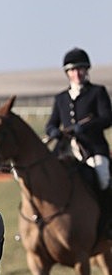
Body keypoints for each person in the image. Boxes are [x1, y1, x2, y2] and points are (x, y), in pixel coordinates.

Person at [45, 48, 112, 233]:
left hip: (93, 149)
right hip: (66, 150)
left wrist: (84, 128)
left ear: (87, 70)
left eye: (81, 69)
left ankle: (107, 223)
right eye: (73, 70)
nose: (77, 73)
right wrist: (53, 131)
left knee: (103, 179)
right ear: (67, 73)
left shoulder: (98, 92)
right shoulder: (61, 98)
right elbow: (51, 124)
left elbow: (107, 118)